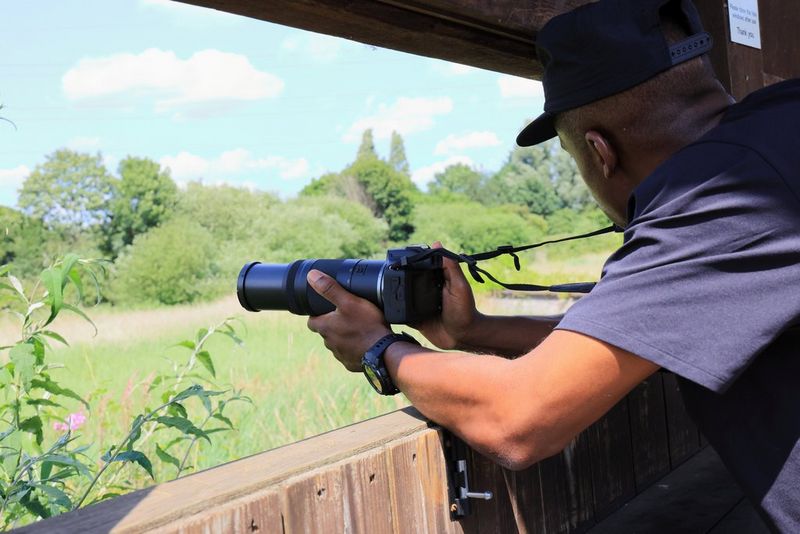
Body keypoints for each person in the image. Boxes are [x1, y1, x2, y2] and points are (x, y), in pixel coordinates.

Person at [304, 0, 800, 529]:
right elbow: (626, 339)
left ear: (600, 151)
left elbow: (517, 420)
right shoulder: (779, 125)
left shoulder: (714, 197)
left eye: (570, 154)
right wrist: (475, 330)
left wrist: (378, 347)